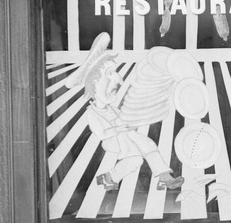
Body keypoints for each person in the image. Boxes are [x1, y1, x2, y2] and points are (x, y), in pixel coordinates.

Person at [66, 33, 183, 191]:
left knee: (146, 145)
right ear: (94, 83)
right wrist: (121, 128)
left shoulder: (112, 109)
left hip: (124, 136)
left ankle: (163, 177)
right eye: (109, 74)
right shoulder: (92, 114)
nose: (118, 80)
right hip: (112, 140)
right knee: (134, 156)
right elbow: (103, 134)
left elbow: (124, 122)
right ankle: (109, 177)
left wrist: (133, 120)